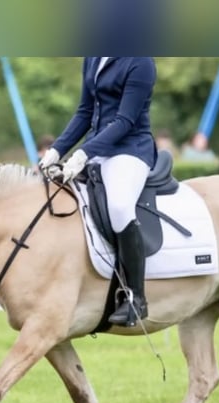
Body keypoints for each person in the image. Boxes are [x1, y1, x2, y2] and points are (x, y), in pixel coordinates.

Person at [38, 57, 157, 327]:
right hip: (96, 151)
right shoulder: (93, 57)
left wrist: (82, 153)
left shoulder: (141, 62)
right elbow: (84, 112)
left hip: (130, 150)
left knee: (119, 207)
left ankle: (136, 299)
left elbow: (125, 120)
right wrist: (56, 150)